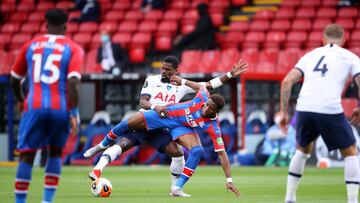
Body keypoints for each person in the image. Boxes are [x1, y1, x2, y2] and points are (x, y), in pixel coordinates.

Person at [84, 56, 247, 196]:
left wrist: (230, 74)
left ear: (176, 70)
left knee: (182, 152)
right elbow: (143, 101)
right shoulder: (152, 79)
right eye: (162, 68)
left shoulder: (184, 88)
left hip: (169, 126)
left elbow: (209, 84)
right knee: (124, 133)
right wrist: (156, 106)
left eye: (167, 70)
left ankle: (176, 188)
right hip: (151, 117)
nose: (164, 72)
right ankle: (101, 147)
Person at [277, 24, 360, 203]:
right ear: (344, 40)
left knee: (302, 150)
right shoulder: (349, 57)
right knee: (351, 151)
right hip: (329, 108)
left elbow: (286, 82)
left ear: (322, 39)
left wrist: (283, 112)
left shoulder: (310, 55)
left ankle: (289, 198)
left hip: (304, 108)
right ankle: (353, 201)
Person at [10, 9, 83, 203]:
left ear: (45, 25)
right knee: (56, 152)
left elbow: (14, 79)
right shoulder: (73, 48)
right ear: (66, 26)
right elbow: (73, 83)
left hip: (33, 107)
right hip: (60, 109)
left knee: (27, 155)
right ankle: (47, 201)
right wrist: (74, 113)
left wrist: (20, 99)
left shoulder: (31, 45)